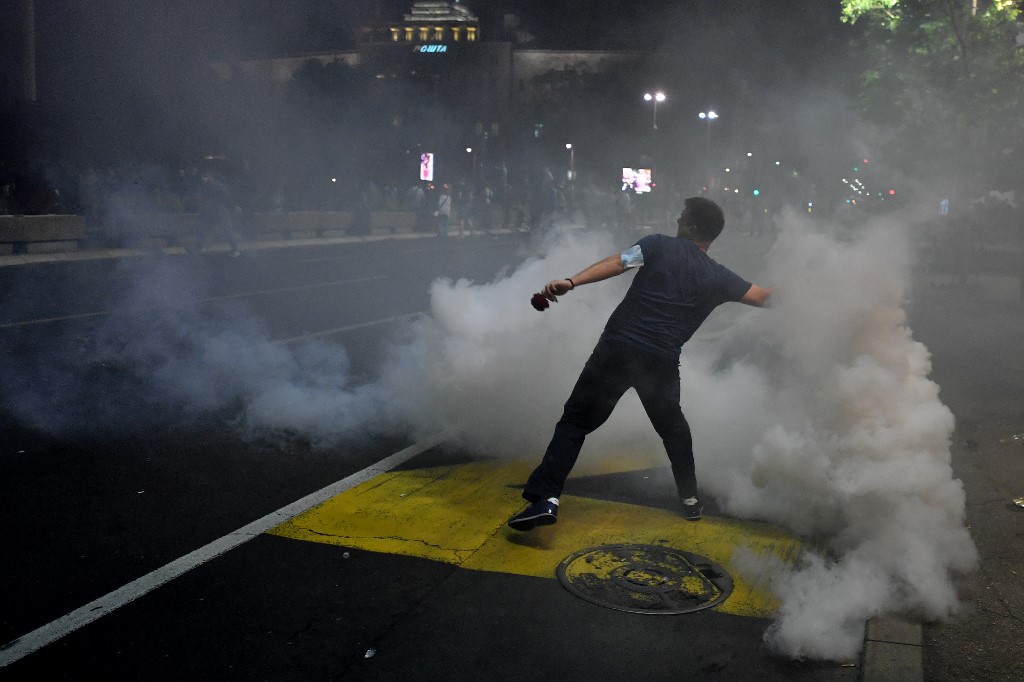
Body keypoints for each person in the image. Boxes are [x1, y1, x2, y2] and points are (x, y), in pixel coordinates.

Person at [508, 196, 772, 531]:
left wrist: (571, 282)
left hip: (617, 351)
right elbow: (764, 297)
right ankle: (690, 498)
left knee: (575, 423)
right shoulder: (718, 276)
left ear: (690, 226)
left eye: (682, 216)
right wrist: (812, 283)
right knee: (674, 429)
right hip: (660, 363)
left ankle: (546, 498)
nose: (676, 219)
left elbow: (620, 262)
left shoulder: (657, 245)